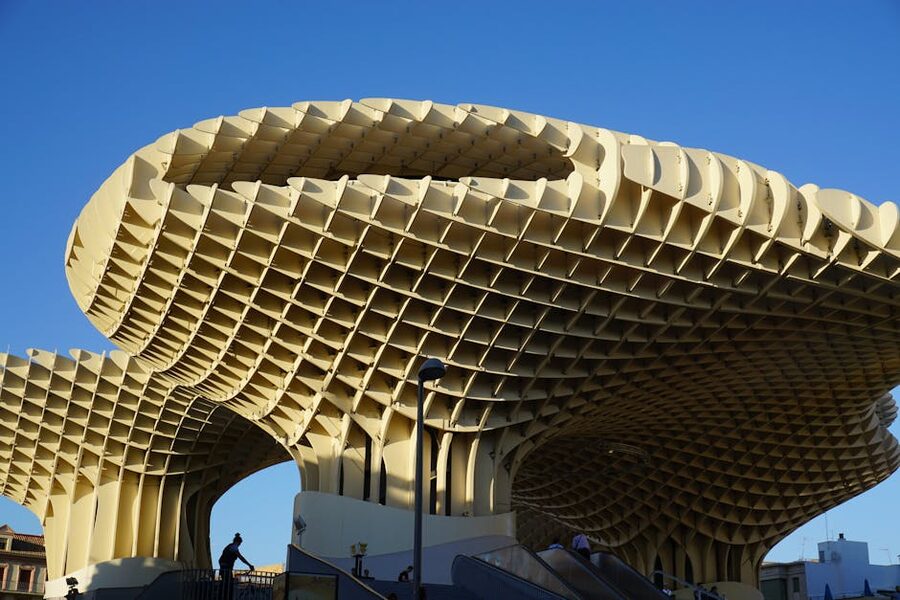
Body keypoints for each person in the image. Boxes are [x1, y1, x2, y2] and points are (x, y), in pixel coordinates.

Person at [219, 533, 254, 599]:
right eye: (240, 544)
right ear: (238, 542)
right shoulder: (234, 547)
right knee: (228, 585)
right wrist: (249, 565)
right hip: (226, 569)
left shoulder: (230, 546)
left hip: (225, 568)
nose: (239, 545)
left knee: (227, 584)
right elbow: (241, 558)